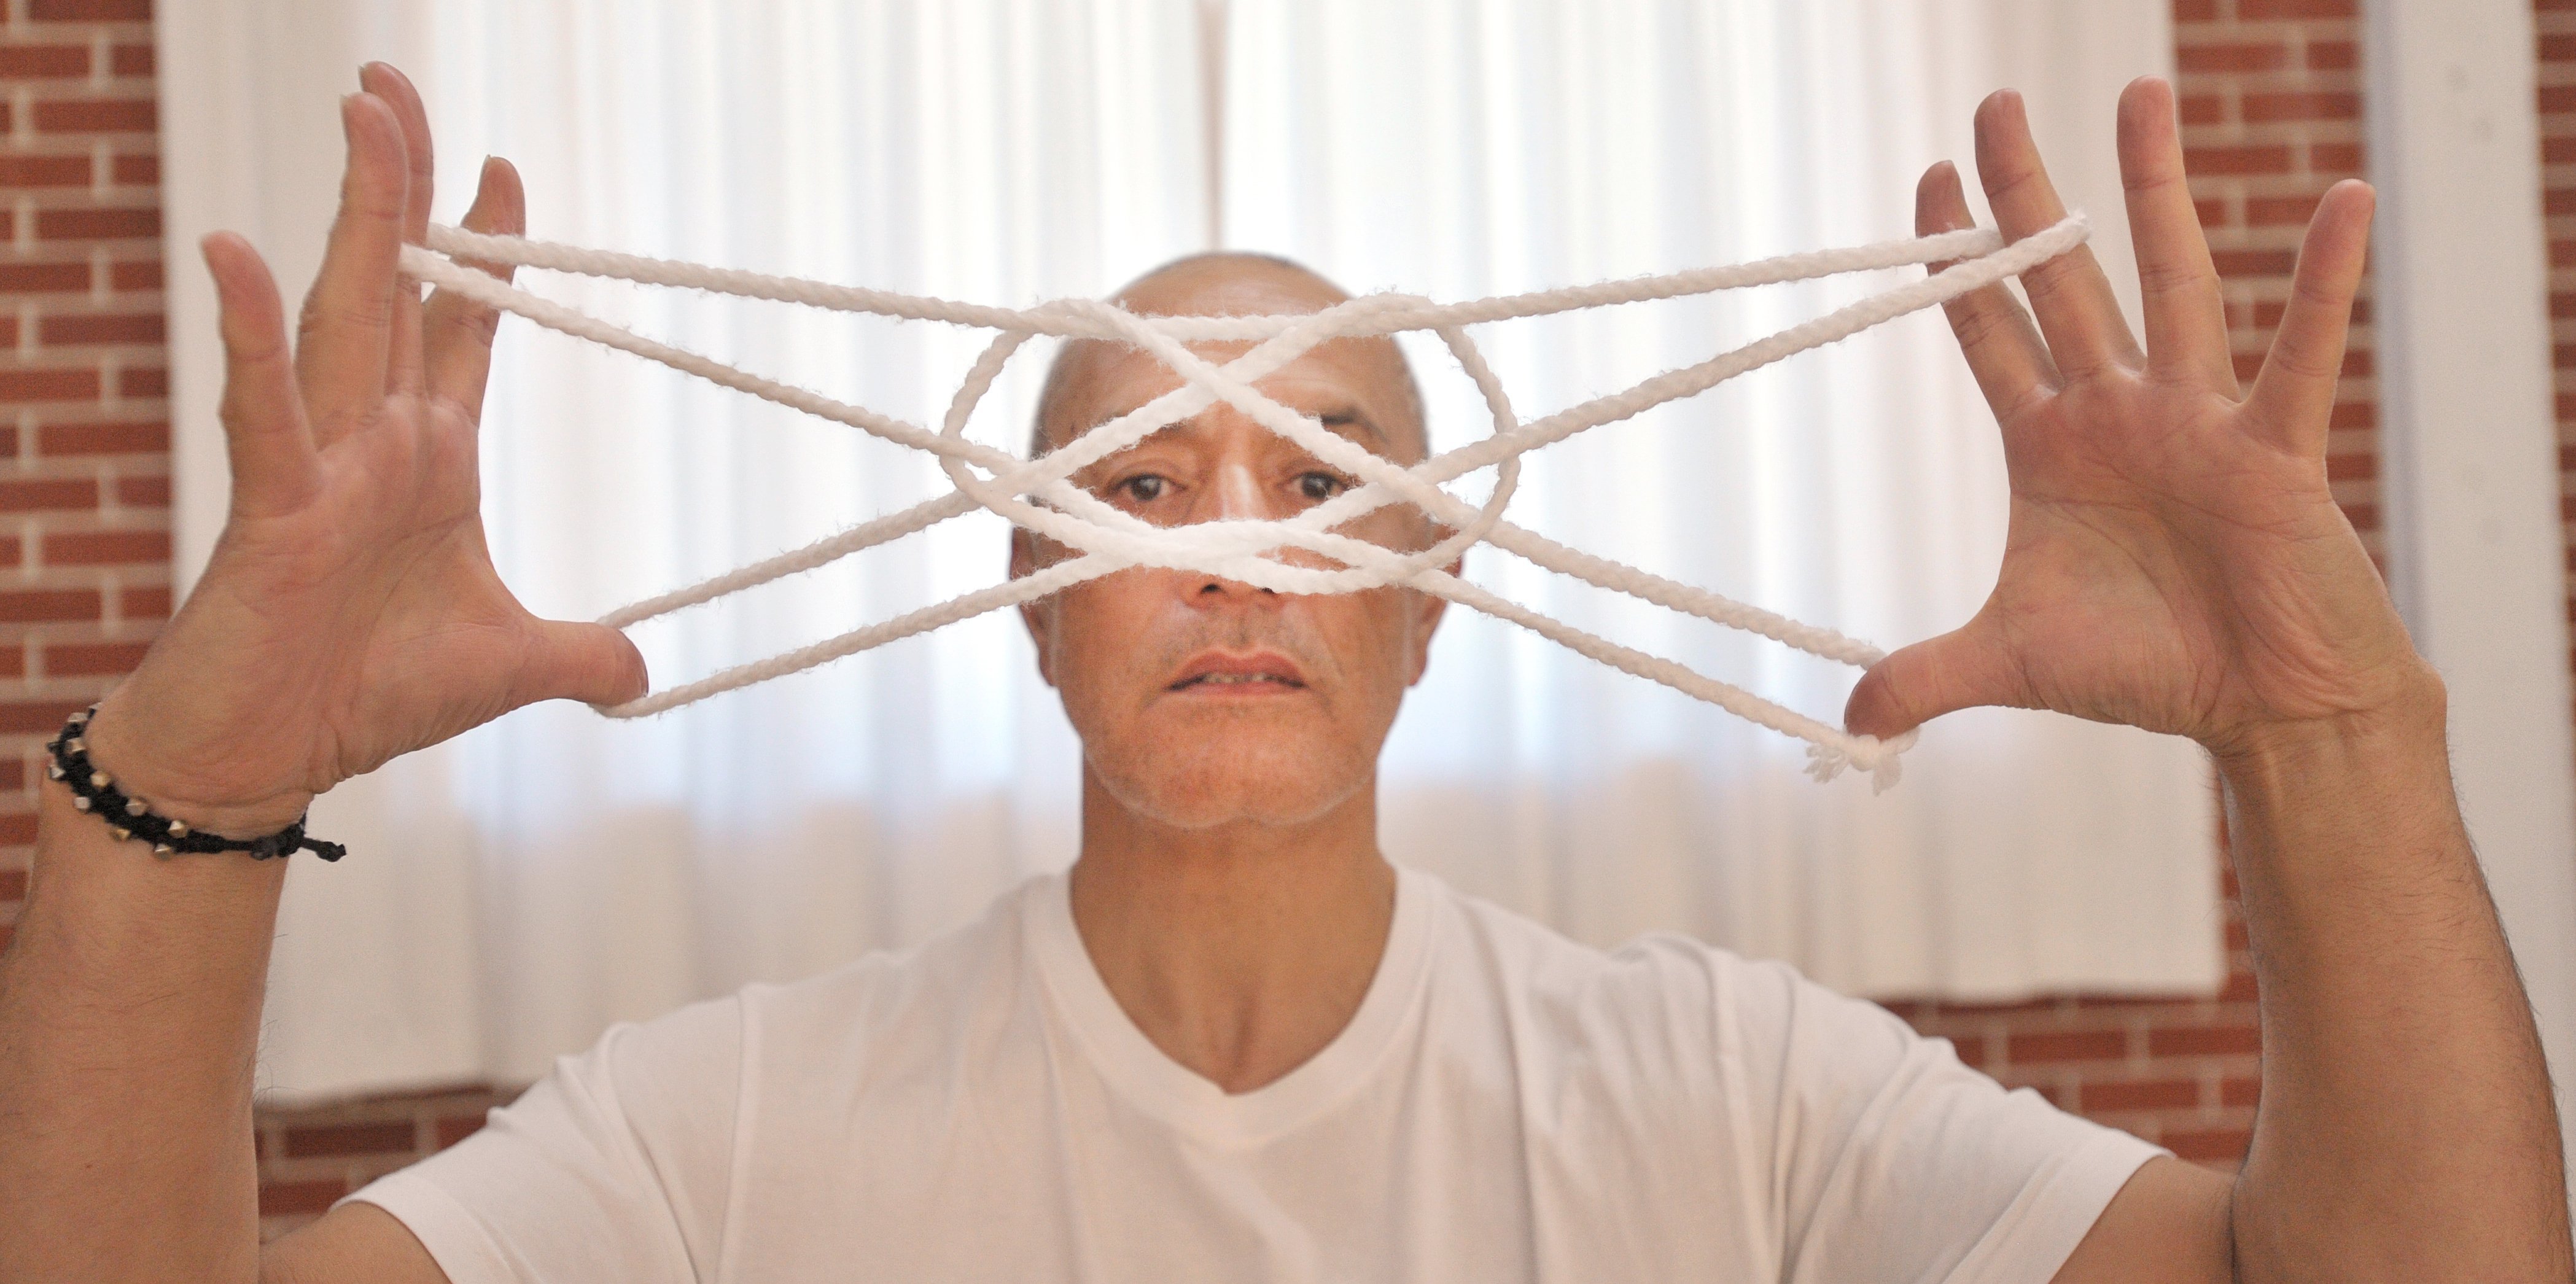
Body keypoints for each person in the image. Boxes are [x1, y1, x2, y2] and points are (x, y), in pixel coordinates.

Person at [0, 60, 2564, 1283]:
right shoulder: (726, 1134)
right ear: (1016, 590)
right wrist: (189, 796)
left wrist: (2331, 730)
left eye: (1320, 476)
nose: (1236, 544)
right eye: (1138, 487)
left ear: (1432, 592)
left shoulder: (1735, 1097)